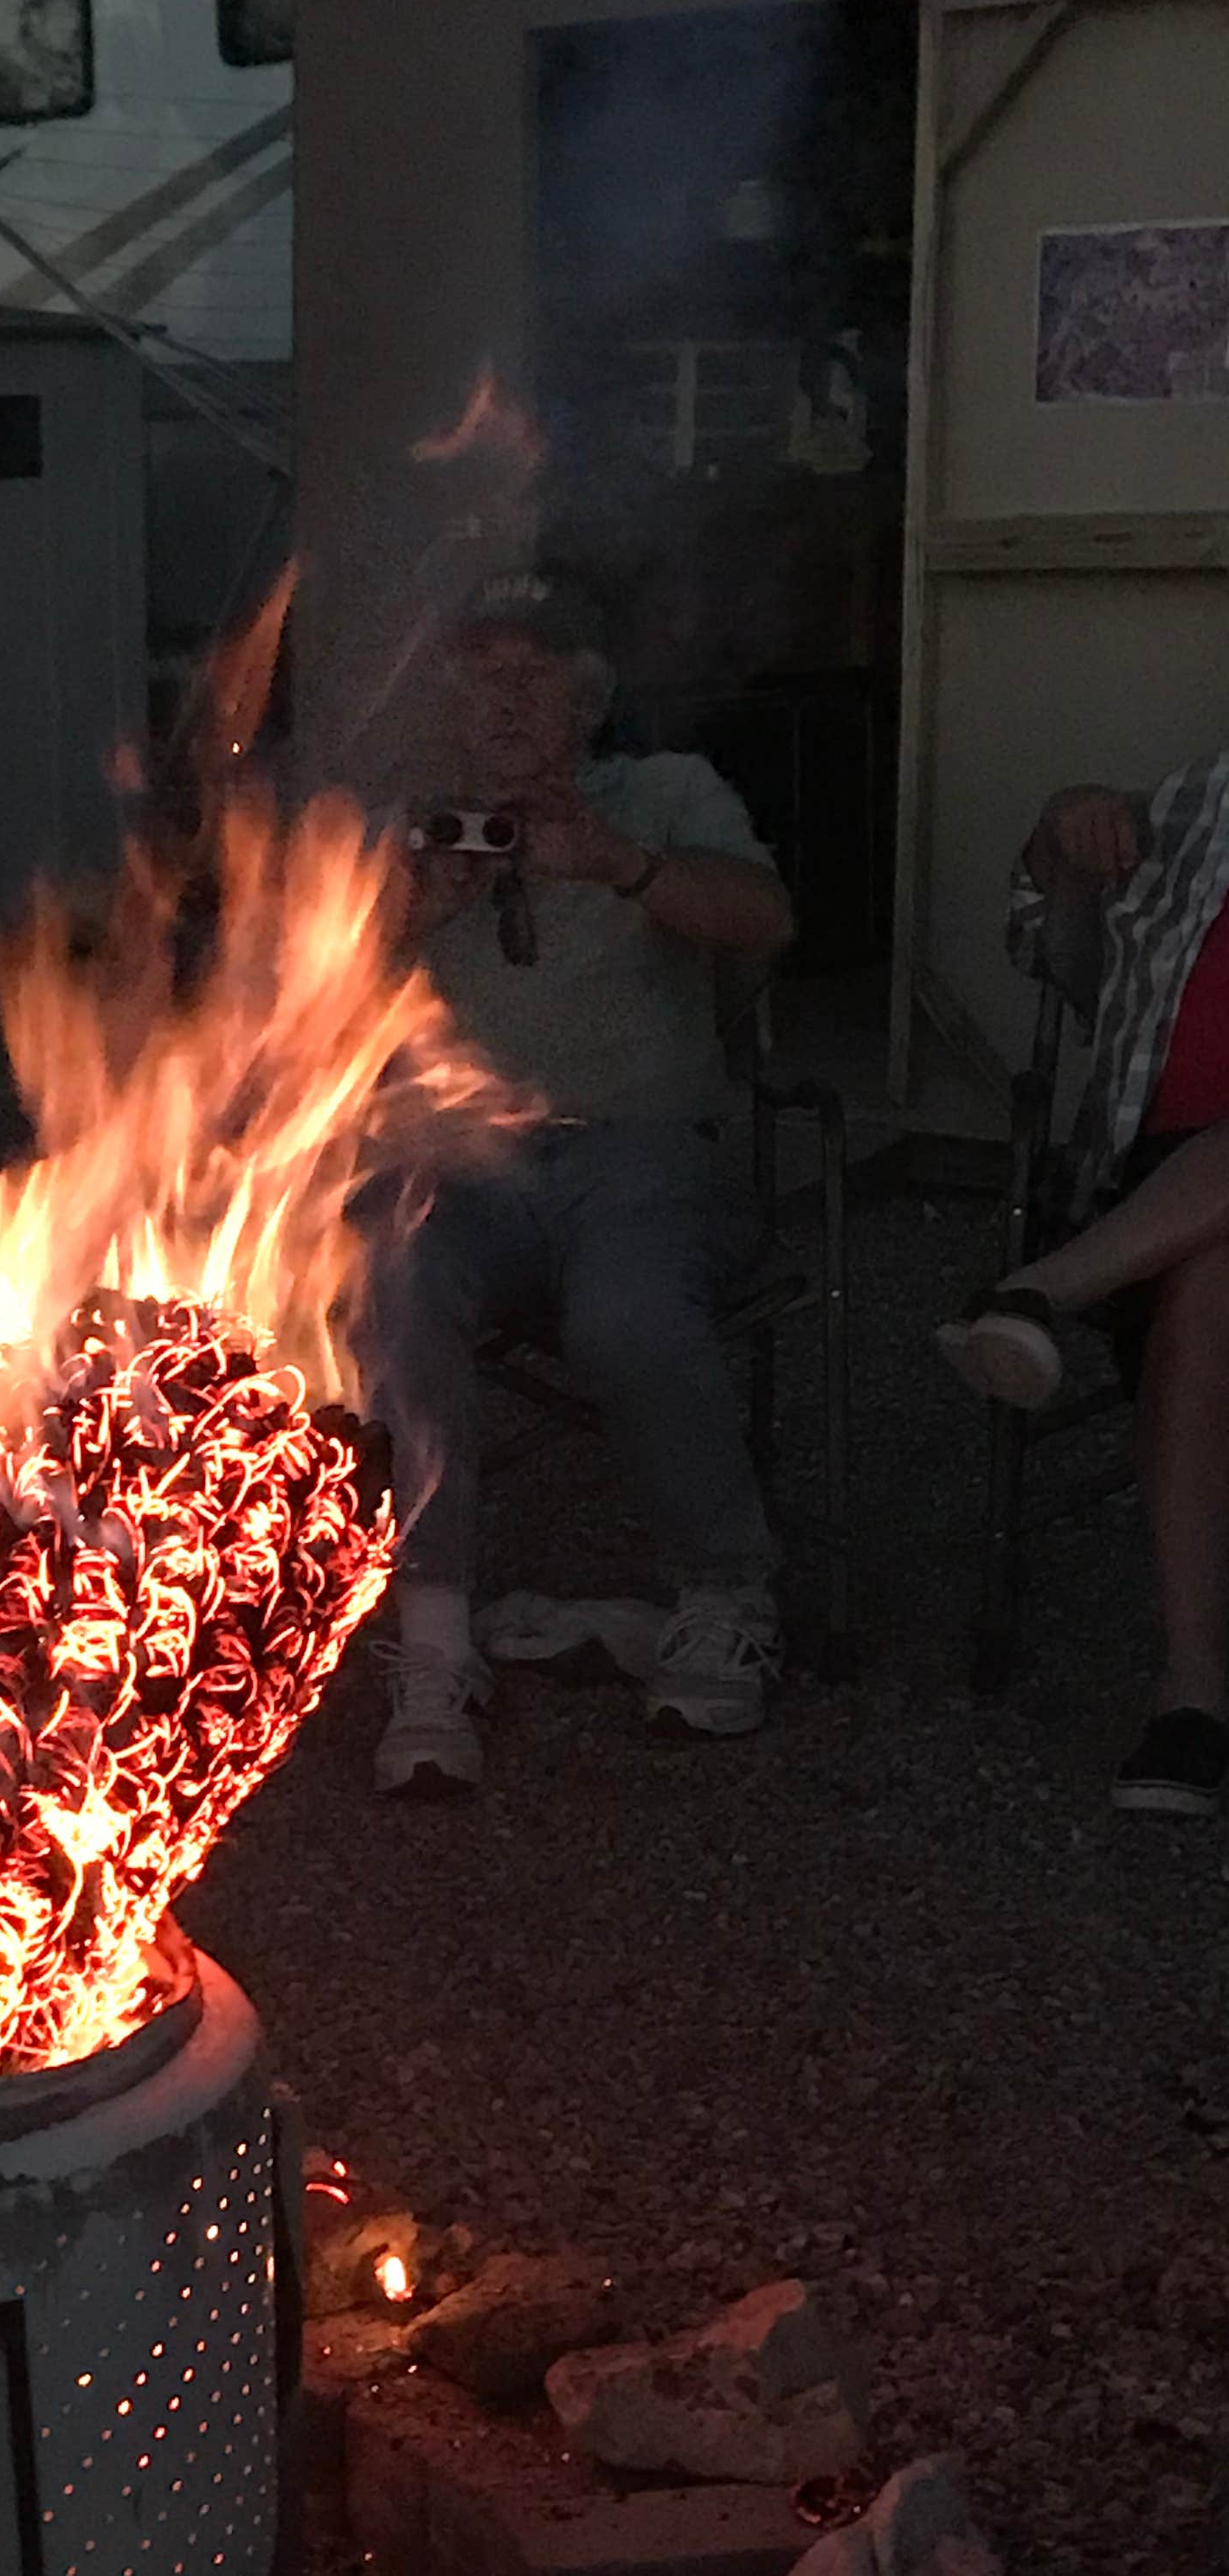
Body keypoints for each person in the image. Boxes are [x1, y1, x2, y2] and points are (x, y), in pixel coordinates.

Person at [353, 570, 798, 1796]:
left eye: (534, 673)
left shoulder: (662, 794)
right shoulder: (403, 821)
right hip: (454, 1158)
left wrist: (620, 865)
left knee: (631, 1316)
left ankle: (724, 1591)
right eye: (478, 674)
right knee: (395, 1286)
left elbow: (764, 920)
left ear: (588, 699)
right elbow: (286, 1027)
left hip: (640, 1146)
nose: (504, 699)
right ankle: (434, 1635)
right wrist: (408, 913)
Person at [936, 764, 1229, 1815]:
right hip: (1157, 1193)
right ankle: (1194, 1694)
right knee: (1209, 1274)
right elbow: (1052, 953)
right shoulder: (1194, 806)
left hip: (1125, 1238)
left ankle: (1034, 1294)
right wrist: (1061, 841)